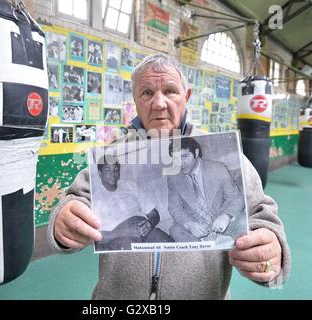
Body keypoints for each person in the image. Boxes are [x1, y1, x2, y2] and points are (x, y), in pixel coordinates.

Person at [48, 53, 291, 299]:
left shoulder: (226, 153)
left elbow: (262, 213)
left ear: (186, 97)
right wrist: (64, 220)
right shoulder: (112, 155)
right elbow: (76, 200)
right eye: (147, 93)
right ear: (135, 100)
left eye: (170, 91)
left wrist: (271, 247)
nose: (159, 103)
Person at [167, 137, 246, 244]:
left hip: (220, 219)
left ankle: (215, 244)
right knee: (175, 231)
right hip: (196, 225)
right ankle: (202, 251)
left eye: (185, 156)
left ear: (196, 153)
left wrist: (226, 216)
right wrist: (189, 224)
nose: (181, 163)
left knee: (243, 222)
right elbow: (174, 208)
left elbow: (236, 197)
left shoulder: (218, 168)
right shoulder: (173, 177)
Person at [93, 155, 173, 251]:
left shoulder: (130, 186)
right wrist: (126, 232)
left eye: (115, 169)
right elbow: (95, 236)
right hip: (119, 237)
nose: (113, 173)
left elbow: (154, 214)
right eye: (108, 170)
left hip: (143, 229)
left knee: (169, 244)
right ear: (100, 173)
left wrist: (149, 224)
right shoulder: (94, 199)